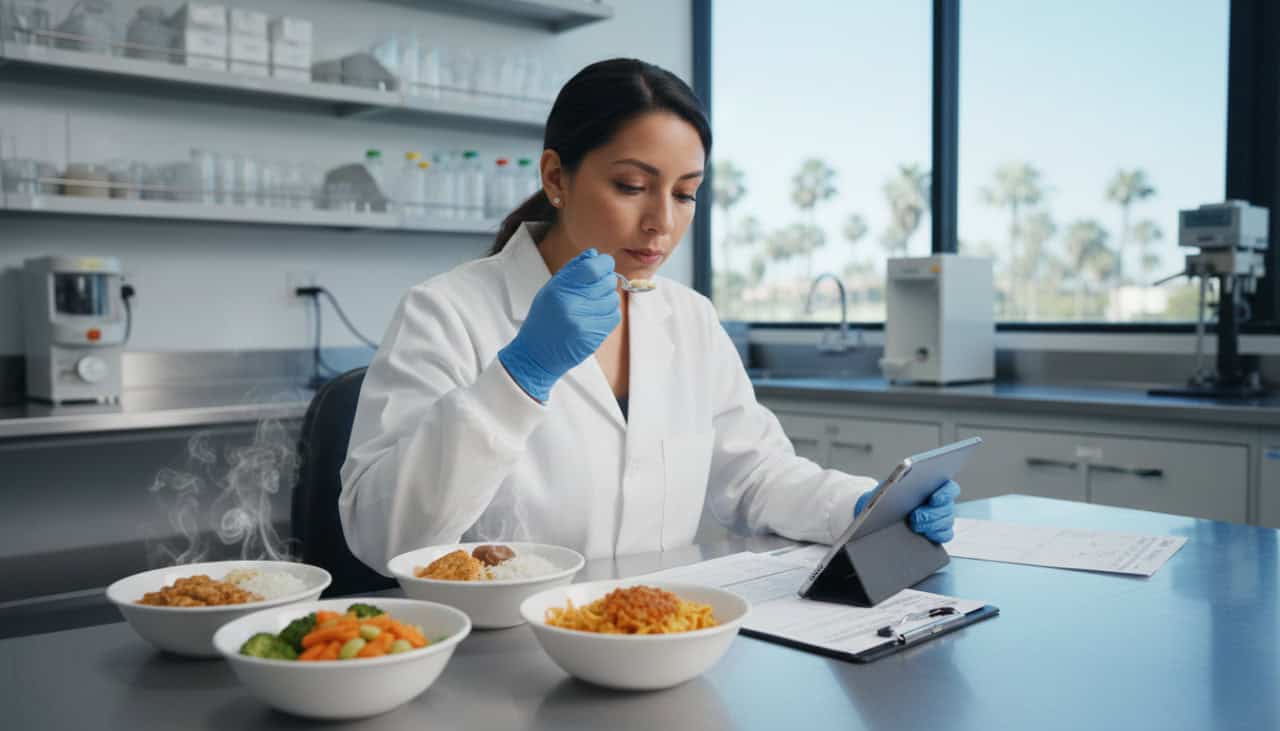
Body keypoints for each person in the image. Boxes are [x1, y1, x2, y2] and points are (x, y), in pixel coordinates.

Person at [339, 58, 959, 573]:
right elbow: (380, 535)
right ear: (557, 176)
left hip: (652, 640)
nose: (663, 221)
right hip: (496, 655)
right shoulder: (446, 312)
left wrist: (863, 504)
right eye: (633, 186)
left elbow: (755, 474)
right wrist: (518, 377)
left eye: (686, 193)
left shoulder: (688, 319)